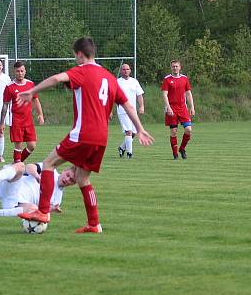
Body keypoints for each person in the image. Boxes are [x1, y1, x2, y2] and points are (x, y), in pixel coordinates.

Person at [16, 37, 154, 233]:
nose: (75, 59)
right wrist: (139, 129)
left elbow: (57, 79)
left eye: (75, 56)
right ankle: (94, 224)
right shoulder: (109, 78)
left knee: (48, 164)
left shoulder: (81, 71)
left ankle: (43, 212)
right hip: (101, 138)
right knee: (82, 179)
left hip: (82, 133)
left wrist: (32, 91)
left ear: (80, 54)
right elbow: (128, 105)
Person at [0, 163, 75, 218]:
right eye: (68, 175)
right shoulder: (49, 169)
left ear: (73, 184)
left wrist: (51, 210)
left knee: (34, 209)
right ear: (65, 170)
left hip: (15, 204)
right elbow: (30, 167)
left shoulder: (58, 199)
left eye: (71, 180)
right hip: (11, 186)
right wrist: (36, 176)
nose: (67, 179)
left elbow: (43, 210)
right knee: (20, 166)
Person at [1, 61, 44, 163]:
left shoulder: (30, 84)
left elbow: (35, 100)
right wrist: (2, 122)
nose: (20, 73)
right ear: (14, 72)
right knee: (18, 145)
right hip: (16, 120)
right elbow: (5, 105)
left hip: (28, 120)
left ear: (25, 71)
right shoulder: (9, 87)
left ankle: (15, 164)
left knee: (32, 145)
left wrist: (40, 114)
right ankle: (17, 166)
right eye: (17, 71)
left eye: (22, 71)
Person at [161, 60, 195, 160]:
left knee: (188, 129)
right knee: (174, 131)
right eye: (173, 66)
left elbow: (188, 93)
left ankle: (182, 148)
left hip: (182, 108)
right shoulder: (167, 79)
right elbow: (164, 94)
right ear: (171, 67)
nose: (175, 68)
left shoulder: (184, 79)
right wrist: (168, 107)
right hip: (172, 108)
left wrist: (192, 107)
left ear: (180, 67)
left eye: (176, 66)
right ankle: (175, 155)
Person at [115, 63, 145, 159]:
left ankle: (122, 148)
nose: (126, 71)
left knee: (134, 133)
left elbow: (139, 95)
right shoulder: (117, 82)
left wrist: (141, 106)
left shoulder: (134, 81)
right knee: (128, 131)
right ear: (121, 71)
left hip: (133, 110)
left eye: (127, 69)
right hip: (122, 110)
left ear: (130, 70)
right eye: (124, 69)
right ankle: (129, 154)